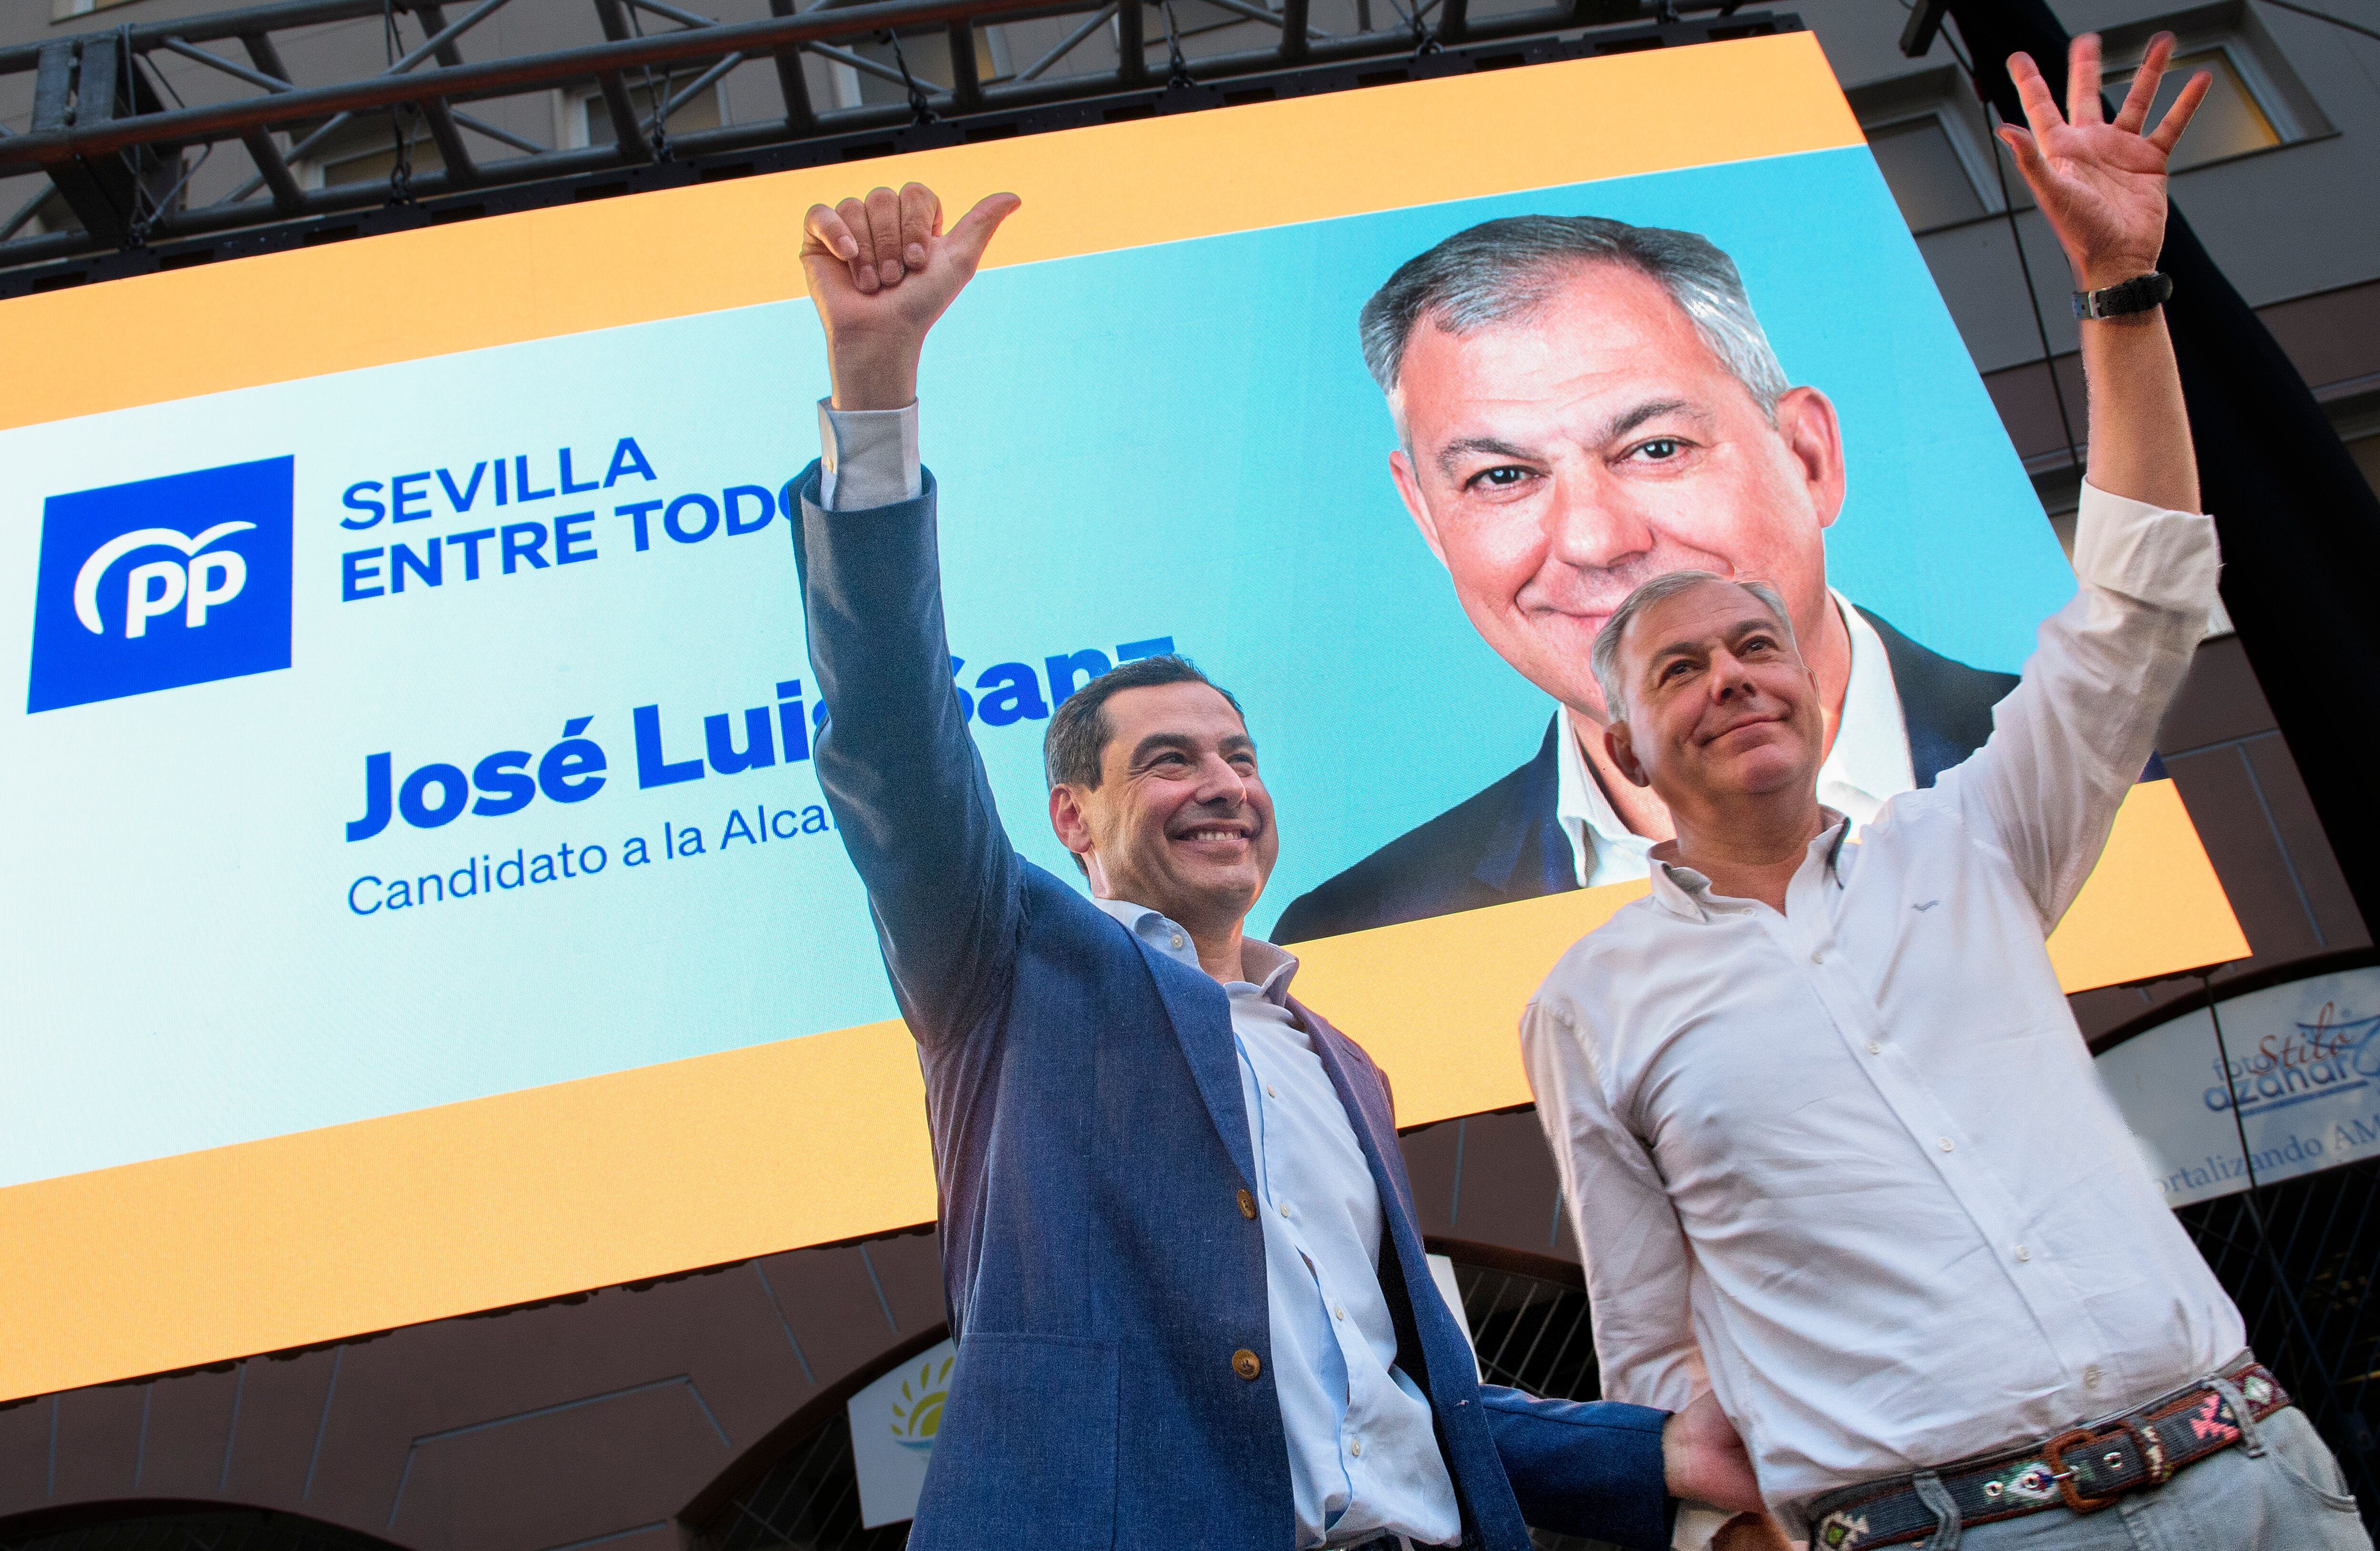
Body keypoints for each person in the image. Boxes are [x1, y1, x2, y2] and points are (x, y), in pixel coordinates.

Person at [787, 179, 1764, 1550]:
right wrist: (875, 391)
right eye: (1169, 760)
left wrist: (1658, 1445)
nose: (1224, 785)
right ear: (1074, 818)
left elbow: (1403, 1396)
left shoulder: (1337, 1061)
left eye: (1240, 756)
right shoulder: (1010, 978)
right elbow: (891, 735)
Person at [1518, 34, 2372, 1551]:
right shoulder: (1594, 1000)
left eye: (1755, 644)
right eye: (1678, 672)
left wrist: (2118, 292)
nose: (1733, 676)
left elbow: (2136, 605)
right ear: (1625, 751)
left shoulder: (1974, 835)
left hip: (2254, 1483)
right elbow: (1653, 1355)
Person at [1275, 204, 2035, 944]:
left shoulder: (2097, 764)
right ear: (1427, 520)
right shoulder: (1367, 936)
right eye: (1502, 475)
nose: (1594, 540)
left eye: (1657, 449)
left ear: (1807, 457)